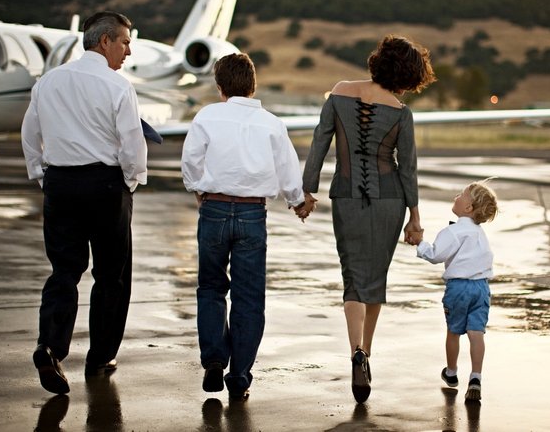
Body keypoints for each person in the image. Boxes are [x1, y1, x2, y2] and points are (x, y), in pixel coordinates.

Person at [298, 34, 435, 403]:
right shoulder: (401, 113)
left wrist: (306, 192)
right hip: (390, 201)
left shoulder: (339, 92)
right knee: (375, 277)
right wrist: (415, 218)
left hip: (346, 197)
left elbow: (319, 143)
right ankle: (365, 354)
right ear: (407, 75)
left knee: (353, 278)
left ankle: (356, 349)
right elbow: (407, 169)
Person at [21, 11, 148, 395]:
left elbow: (30, 132)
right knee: (111, 275)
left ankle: (50, 347)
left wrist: (42, 175)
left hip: (60, 184)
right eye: (125, 41)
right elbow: (131, 143)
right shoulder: (117, 85)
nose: (128, 50)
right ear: (105, 41)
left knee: (64, 271)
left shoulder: (49, 82)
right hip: (105, 186)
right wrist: (130, 181)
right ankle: (100, 357)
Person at [181, 53, 305, 401]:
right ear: (253, 85)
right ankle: (240, 376)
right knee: (249, 297)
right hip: (253, 215)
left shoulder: (207, 116)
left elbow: (190, 161)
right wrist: (298, 202)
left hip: (214, 208)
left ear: (219, 86)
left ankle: (214, 360)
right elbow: (288, 171)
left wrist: (198, 189)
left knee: (210, 287)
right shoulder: (271, 123)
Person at [415, 178, 499, 401]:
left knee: (453, 331)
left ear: (468, 208)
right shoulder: (480, 234)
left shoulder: (453, 232)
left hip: (458, 288)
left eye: (460, 196)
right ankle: (476, 377)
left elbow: (435, 255)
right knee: (476, 333)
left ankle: (451, 373)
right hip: (481, 288)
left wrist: (419, 242)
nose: (456, 197)